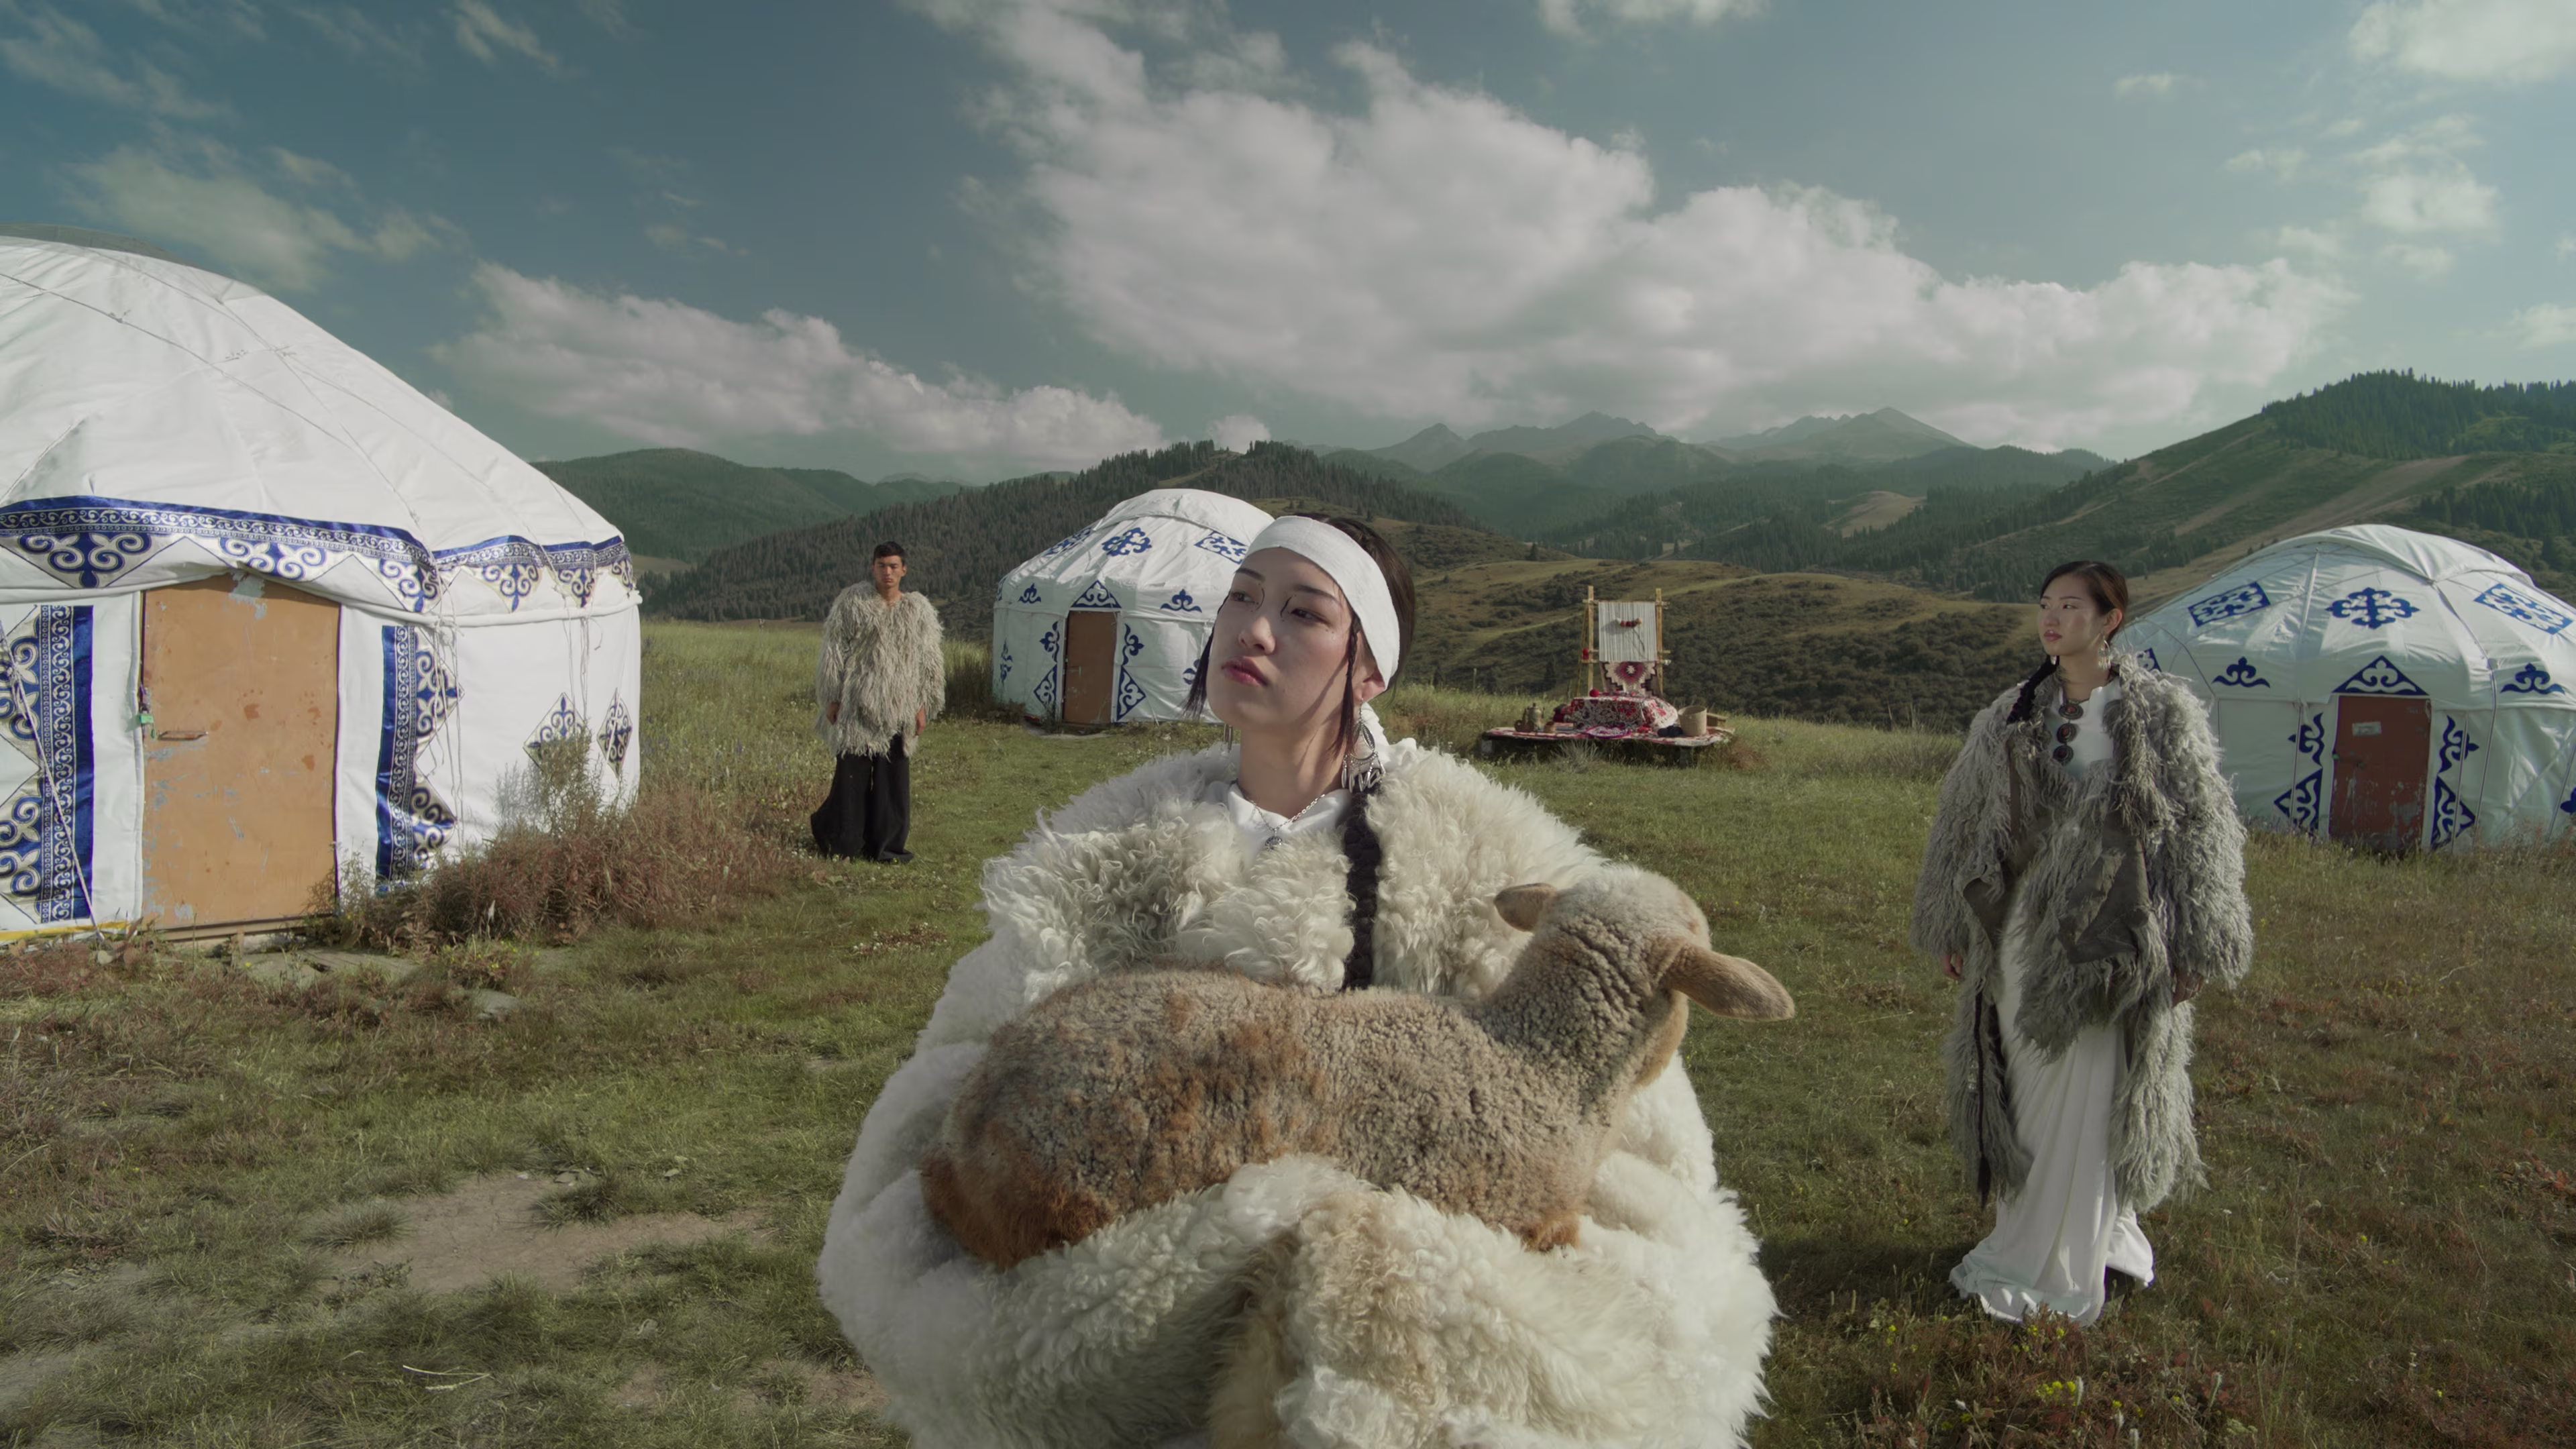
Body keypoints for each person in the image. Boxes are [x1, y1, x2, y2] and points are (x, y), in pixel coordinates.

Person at [816, 515, 1777, 1447]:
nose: (1254, 628)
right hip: (1120, 1366)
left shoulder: (1481, 865)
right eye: (1240, 596)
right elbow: (957, 1077)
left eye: (1305, 611)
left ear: (1368, 670)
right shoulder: (1104, 855)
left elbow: (1631, 1143)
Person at [1913, 559, 2253, 1326]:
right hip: (2023, 931)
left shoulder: (2160, 714)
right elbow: (1961, 823)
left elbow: (2200, 831)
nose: (2052, 617)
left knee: (2093, 1081)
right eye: (2045, 604)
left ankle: (2071, 1247)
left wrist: (2196, 940)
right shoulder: (2012, 711)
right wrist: (1951, 924)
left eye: (2071, 605)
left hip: (2111, 932)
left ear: (2111, 620)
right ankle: (2028, 1230)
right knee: (2027, 1085)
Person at [810, 541, 943, 863]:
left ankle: (886, 847)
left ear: (904, 570)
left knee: (892, 782)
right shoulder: (852, 602)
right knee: (851, 780)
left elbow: (929, 659)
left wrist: (923, 705)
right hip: (857, 704)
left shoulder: (917, 609)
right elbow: (834, 650)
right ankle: (843, 842)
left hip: (901, 705)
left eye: (894, 566)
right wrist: (832, 697)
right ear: (872, 568)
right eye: (882, 565)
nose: (888, 572)